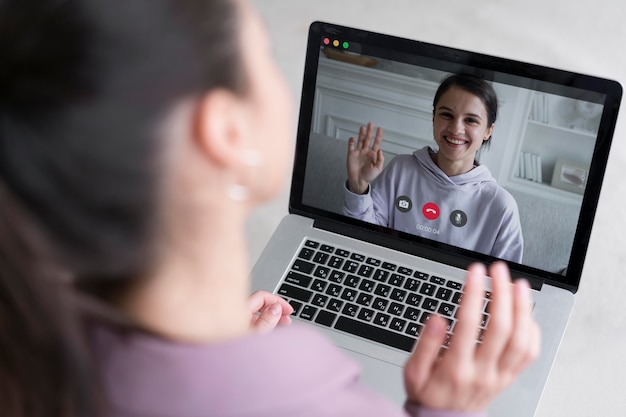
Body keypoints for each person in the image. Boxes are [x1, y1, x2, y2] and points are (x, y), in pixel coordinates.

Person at [0, 1, 540, 416]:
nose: (456, 129)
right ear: (227, 132)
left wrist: (221, 340)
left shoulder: (32, 350)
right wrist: (443, 409)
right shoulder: (320, 403)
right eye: (263, 54)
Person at [344, 74, 524, 263]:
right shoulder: (400, 169)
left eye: (471, 120)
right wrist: (359, 187)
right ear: (433, 118)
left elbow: (506, 284)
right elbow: (362, 241)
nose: (456, 129)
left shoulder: (502, 206)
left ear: (488, 130)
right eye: (447, 115)